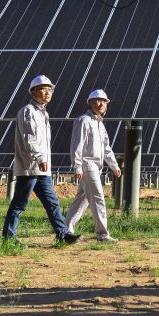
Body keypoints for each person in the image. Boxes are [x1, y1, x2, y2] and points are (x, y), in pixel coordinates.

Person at [1, 75, 79, 245]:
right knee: (20, 203)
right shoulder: (28, 111)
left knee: (52, 202)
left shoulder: (43, 113)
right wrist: (40, 157)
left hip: (43, 168)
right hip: (30, 167)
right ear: (33, 91)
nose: (47, 92)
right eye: (43, 89)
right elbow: (29, 138)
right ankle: (8, 236)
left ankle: (63, 234)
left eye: (49, 89)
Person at [65, 89, 122, 243]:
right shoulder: (83, 120)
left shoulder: (100, 124)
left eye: (103, 101)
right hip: (87, 164)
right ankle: (102, 234)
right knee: (98, 198)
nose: (100, 103)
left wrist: (114, 165)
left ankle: (66, 229)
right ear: (89, 103)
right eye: (96, 100)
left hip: (97, 166)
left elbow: (106, 147)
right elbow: (77, 145)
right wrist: (77, 166)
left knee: (82, 200)